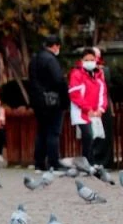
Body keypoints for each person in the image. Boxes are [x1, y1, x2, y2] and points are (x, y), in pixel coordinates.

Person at [28, 35, 66, 171]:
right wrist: (64, 99)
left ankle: (39, 162)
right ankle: (54, 162)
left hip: (38, 101)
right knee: (53, 132)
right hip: (52, 101)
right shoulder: (51, 60)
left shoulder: (34, 59)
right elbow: (58, 80)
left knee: (41, 132)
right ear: (55, 46)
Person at [67, 48, 107, 165]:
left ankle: (90, 162)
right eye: (86, 60)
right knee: (88, 135)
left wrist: (101, 108)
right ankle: (87, 162)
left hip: (94, 111)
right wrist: (87, 108)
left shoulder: (98, 74)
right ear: (82, 60)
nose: (89, 62)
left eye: (92, 59)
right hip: (81, 112)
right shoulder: (76, 74)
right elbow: (75, 94)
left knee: (92, 137)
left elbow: (102, 93)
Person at [90, 47, 113, 168]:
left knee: (105, 133)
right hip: (90, 106)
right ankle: (93, 160)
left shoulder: (104, 71)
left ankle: (105, 161)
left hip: (103, 105)